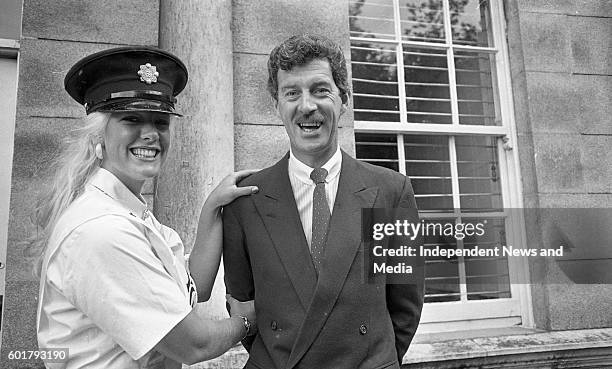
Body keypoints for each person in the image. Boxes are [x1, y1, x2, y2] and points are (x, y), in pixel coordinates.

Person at [33, 46, 258, 368]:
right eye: (132, 119)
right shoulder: (104, 230)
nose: (151, 134)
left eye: (161, 122)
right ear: (98, 138)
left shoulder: (126, 212)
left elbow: (194, 288)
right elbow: (194, 344)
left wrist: (212, 209)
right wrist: (248, 320)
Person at [214, 34, 424, 369]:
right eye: (291, 93)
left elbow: (405, 308)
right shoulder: (246, 200)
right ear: (277, 104)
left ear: (344, 99)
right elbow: (243, 306)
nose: (307, 105)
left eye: (320, 90)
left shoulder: (390, 191)